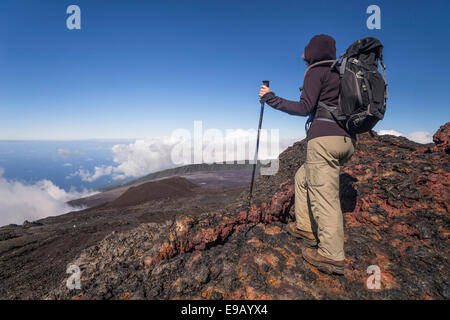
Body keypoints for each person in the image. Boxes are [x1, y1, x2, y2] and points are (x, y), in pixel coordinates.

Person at [258, 34, 354, 275]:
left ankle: (331, 255)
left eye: (305, 51)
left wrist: (270, 98)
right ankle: (305, 227)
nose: (302, 55)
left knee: (325, 197)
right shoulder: (343, 73)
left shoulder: (316, 71)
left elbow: (304, 108)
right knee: (302, 178)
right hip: (347, 141)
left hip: (324, 141)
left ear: (314, 51)